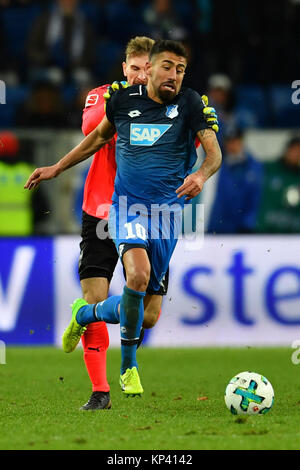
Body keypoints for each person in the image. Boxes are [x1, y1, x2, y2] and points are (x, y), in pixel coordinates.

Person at [25, 39, 221, 401]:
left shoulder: (189, 103)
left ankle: (85, 316)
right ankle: (104, 387)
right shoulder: (109, 97)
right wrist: (55, 168)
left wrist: (199, 173)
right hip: (110, 209)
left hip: (162, 213)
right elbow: (93, 133)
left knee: (147, 316)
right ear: (125, 67)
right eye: (137, 67)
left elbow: (207, 149)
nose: (143, 74)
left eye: (168, 69)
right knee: (134, 276)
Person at [208, 127, 263, 234]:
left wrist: (248, 223)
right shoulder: (217, 165)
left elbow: (257, 198)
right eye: (229, 142)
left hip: (244, 229)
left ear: (241, 142)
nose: (232, 146)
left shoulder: (255, 167)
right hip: (218, 227)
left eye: (235, 141)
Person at [257, 137, 300, 233]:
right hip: (264, 230)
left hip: (292, 233)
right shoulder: (269, 168)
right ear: (287, 150)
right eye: (294, 150)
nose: (296, 155)